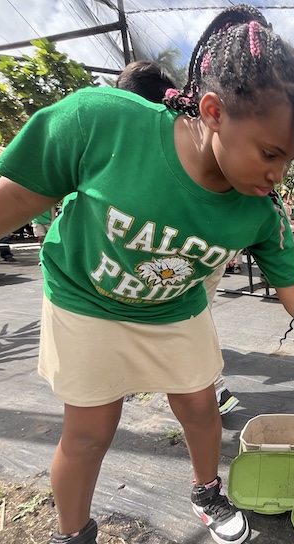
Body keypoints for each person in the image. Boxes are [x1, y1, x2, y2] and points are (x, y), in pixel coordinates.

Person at [0, 6, 294, 544]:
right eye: (270, 153)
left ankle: (207, 492)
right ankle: (71, 541)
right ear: (212, 111)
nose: (279, 174)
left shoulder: (259, 210)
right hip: (86, 301)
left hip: (174, 309)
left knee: (203, 411)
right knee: (90, 431)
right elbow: (3, 207)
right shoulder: (102, 123)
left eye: (290, 160)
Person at [116, 59, 238, 414]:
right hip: (170, 252)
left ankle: (211, 387)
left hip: (194, 252)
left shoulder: (177, 135)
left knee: (194, 314)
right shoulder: (131, 139)